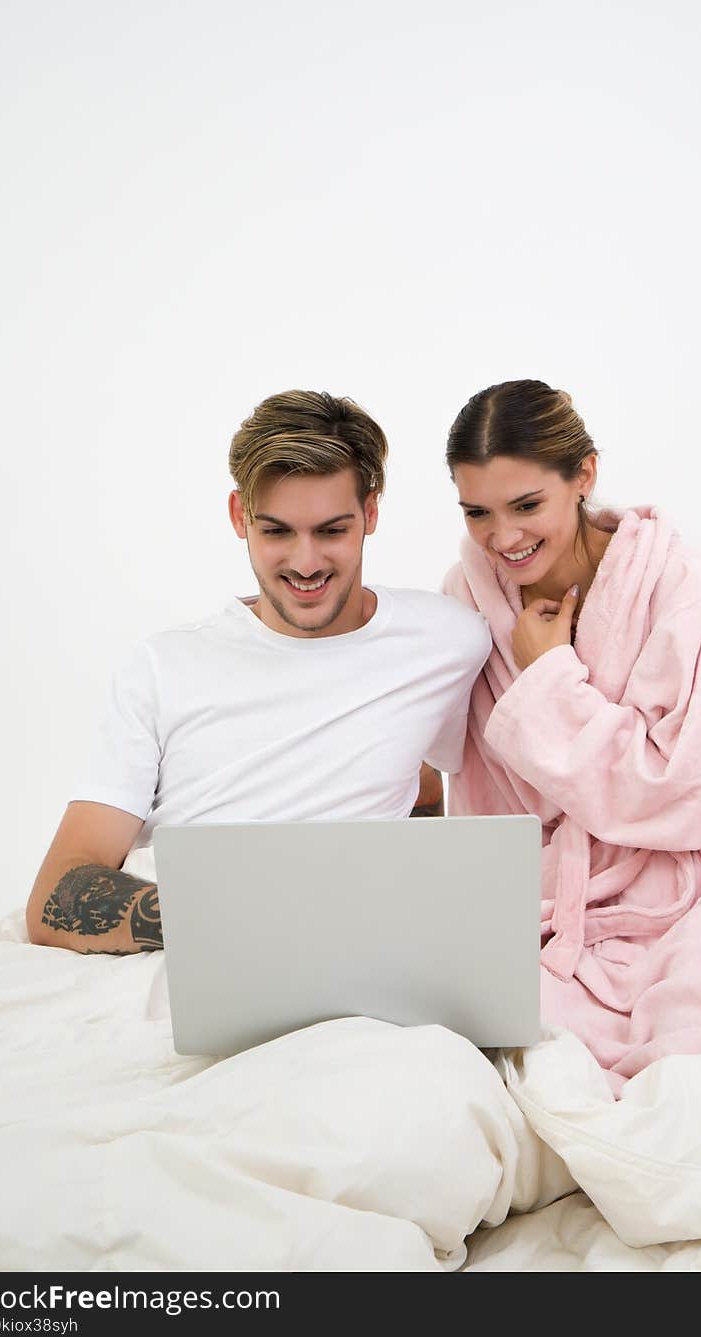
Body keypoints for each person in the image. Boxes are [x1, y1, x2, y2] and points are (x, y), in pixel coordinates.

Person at [441, 378, 701, 1094]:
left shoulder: (682, 586)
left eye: (527, 505)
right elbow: (472, 783)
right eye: (478, 512)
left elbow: (679, 796)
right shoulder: (469, 596)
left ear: (583, 475)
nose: (503, 537)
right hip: (561, 898)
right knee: (502, 1054)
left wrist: (551, 679)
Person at [27, 390, 490, 955]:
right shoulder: (162, 666)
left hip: (353, 954)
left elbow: (422, 781)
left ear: (370, 512)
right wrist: (239, 922)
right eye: (275, 531)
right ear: (238, 516)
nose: (305, 562)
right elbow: (60, 890)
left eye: (330, 530)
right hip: (181, 953)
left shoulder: (450, 639)